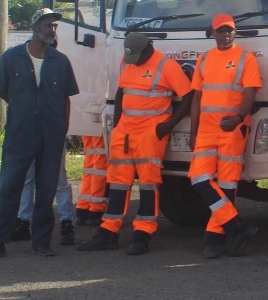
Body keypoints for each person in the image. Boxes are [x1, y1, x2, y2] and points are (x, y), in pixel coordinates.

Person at [0, 9, 80, 260]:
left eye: (54, 26)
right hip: (20, 134)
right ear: (35, 27)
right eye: (47, 25)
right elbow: (3, 91)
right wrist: (24, 110)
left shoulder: (61, 61)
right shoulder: (11, 58)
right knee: (9, 186)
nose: (52, 30)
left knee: (46, 190)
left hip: (51, 135)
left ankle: (42, 242)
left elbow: (66, 99)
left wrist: (61, 129)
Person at [79, 30, 194, 256]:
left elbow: (189, 96)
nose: (134, 62)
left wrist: (167, 126)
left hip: (149, 134)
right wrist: (119, 123)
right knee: (117, 182)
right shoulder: (127, 61)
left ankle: (143, 234)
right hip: (125, 132)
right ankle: (108, 233)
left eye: (138, 58)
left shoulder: (166, 66)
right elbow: (121, 92)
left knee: (148, 184)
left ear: (149, 49)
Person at [189, 13, 262, 259]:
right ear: (213, 33)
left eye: (229, 30)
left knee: (227, 185)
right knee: (198, 179)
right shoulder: (204, 58)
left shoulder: (245, 58)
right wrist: (193, 130)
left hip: (232, 129)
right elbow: (197, 98)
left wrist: (238, 118)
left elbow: (251, 93)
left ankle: (215, 239)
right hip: (207, 130)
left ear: (234, 32)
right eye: (220, 30)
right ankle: (237, 227)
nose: (225, 34)